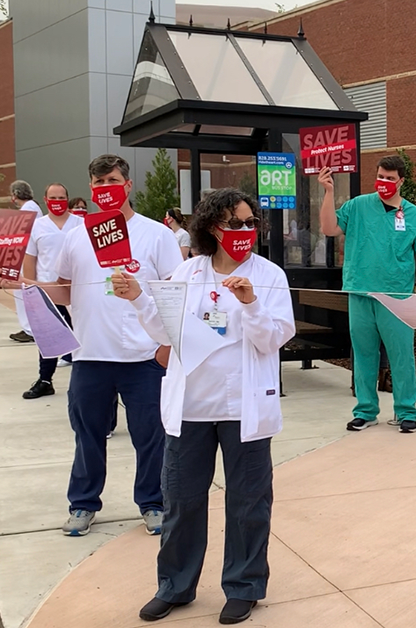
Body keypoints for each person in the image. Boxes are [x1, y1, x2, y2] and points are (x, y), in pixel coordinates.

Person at [114, 188, 295, 626]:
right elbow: (165, 330)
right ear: (213, 227)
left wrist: (250, 303)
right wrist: (138, 296)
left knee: (248, 503)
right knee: (181, 500)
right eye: (235, 223)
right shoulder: (188, 272)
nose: (244, 231)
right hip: (191, 407)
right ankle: (174, 586)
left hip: (243, 409)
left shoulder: (269, 275)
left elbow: (275, 338)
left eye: (251, 222)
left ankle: (244, 585)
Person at [52, 154, 183, 537]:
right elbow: (63, 291)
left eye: (110, 181)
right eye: (97, 183)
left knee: (151, 436)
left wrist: (168, 346)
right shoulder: (75, 235)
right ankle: (83, 503)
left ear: (127, 185)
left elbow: (175, 291)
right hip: (90, 353)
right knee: (87, 435)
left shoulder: (156, 235)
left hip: (143, 355)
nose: (103, 189)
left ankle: (153, 502)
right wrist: (29, 287)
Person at [318, 156, 416, 433]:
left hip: (397, 298)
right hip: (360, 292)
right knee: (363, 354)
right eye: (381, 176)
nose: (384, 182)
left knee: (401, 355)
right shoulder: (358, 206)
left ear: (401, 181)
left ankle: (407, 411)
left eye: (390, 178)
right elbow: (329, 228)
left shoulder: (413, 215)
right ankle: (366, 410)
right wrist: (329, 192)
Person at [21, 183, 85, 399]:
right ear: (45, 199)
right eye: (53, 198)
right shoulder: (37, 227)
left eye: (61, 197)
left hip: (78, 292)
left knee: (83, 336)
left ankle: (86, 380)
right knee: (48, 338)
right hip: (48, 291)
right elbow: (30, 260)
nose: (57, 202)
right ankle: (45, 379)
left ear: (67, 199)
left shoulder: (81, 224)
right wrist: (31, 288)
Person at [10, 179, 40, 343]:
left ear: (15, 195)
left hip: (24, 256)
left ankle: (29, 329)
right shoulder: (33, 207)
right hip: (27, 255)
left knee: (22, 292)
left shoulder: (27, 210)